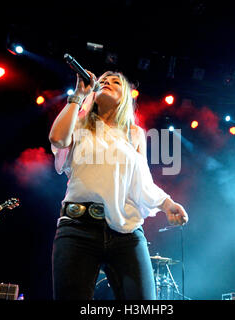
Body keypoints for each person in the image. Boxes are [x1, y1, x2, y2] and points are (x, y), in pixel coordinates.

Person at [49, 70, 189, 300]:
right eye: (103, 80)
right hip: (78, 227)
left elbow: (143, 181)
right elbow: (57, 139)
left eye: (115, 82)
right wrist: (78, 95)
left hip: (126, 232)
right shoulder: (80, 122)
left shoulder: (134, 134)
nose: (106, 82)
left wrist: (166, 203)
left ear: (125, 97)